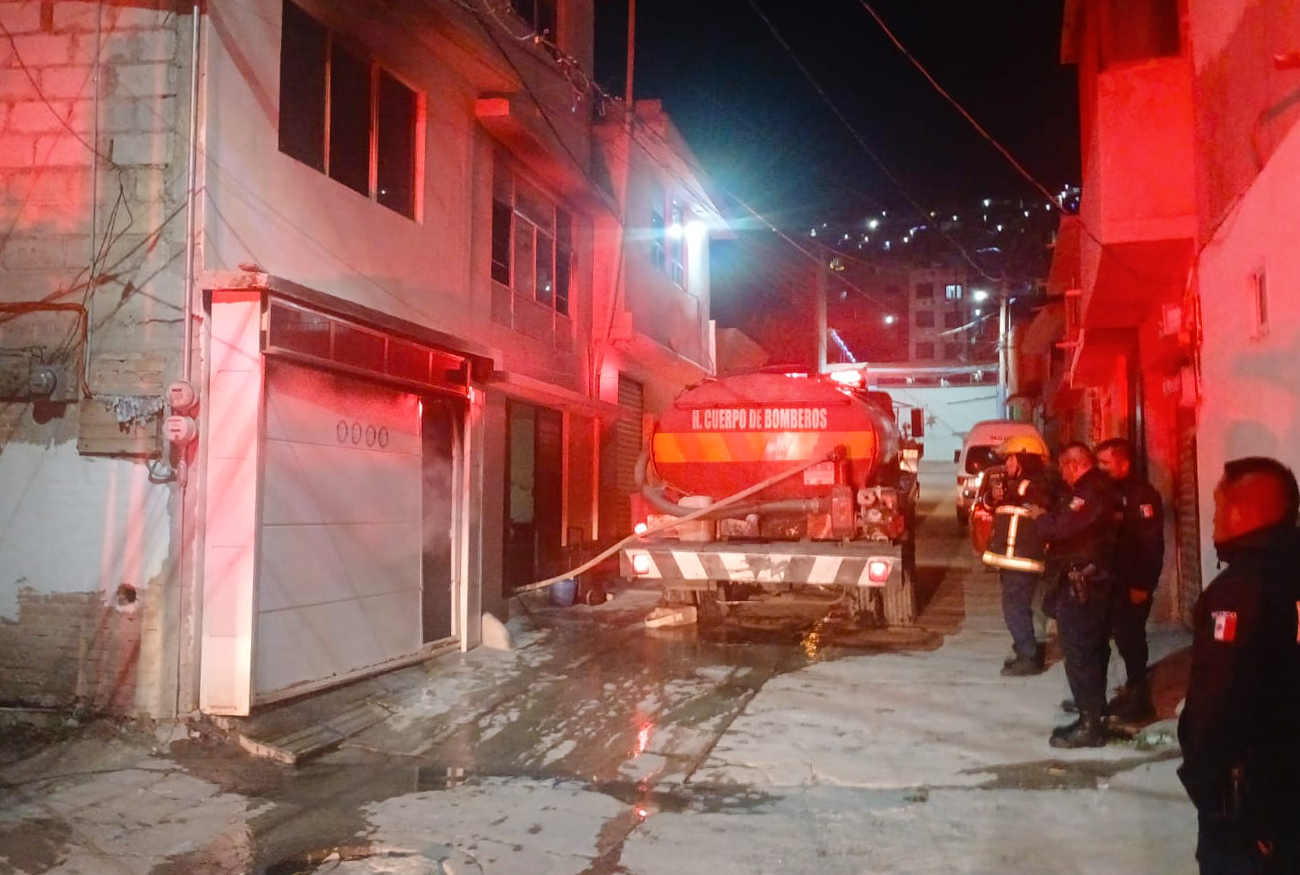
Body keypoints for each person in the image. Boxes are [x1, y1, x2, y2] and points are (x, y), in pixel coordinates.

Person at [1179, 457, 1300, 874]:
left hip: (1255, 809)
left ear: (1243, 512)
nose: (1212, 521)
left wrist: (1211, 794)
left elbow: (1215, 707)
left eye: (1218, 506)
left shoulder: (1238, 593)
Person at [1035, 442, 1120, 748]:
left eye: (1064, 468)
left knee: (1081, 652)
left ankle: (1090, 724)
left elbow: (1059, 527)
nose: (1064, 475)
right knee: (1089, 650)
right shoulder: (1092, 490)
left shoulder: (1091, 491)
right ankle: (1093, 711)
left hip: (1084, 584)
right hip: (1084, 581)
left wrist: (1041, 518)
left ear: (1073, 465)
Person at [1096, 437, 1165, 722]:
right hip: (1114, 581)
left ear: (1123, 463)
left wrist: (1142, 585)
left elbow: (1150, 545)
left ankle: (1141, 700)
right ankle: (1130, 690)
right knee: (1120, 638)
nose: (1100, 468)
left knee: (1131, 639)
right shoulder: (1111, 492)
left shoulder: (1142, 495)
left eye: (1105, 462)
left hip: (1132, 583)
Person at [993, 438, 1056, 677]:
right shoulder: (1017, 485)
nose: (1006, 464)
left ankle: (1028, 656)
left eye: (1011, 459)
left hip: (1023, 559)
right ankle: (1024, 649)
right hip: (1014, 558)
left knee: (1015, 608)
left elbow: (1037, 497)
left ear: (1024, 459)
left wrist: (1011, 489)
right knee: (1020, 607)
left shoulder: (1035, 485)